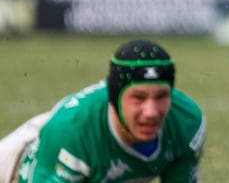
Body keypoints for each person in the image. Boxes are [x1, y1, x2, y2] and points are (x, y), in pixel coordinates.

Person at [0, 39, 206, 183]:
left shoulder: (186, 122)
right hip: (16, 168)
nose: (151, 111)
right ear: (114, 98)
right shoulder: (71, 132)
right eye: (138, 98)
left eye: (161, 96)